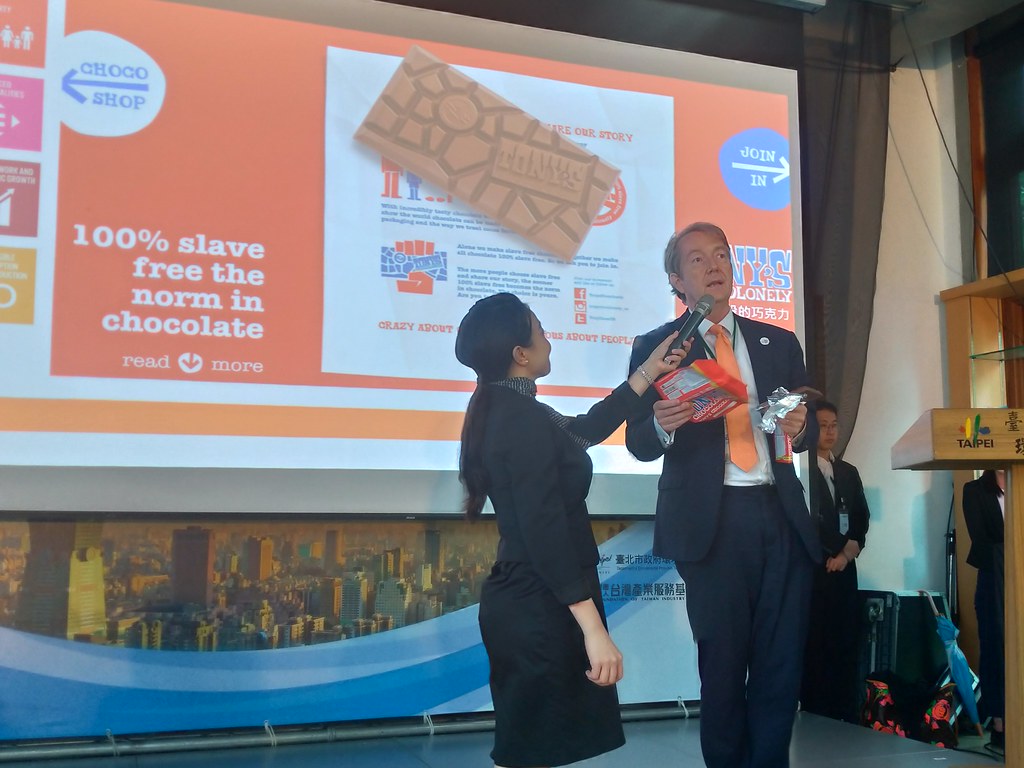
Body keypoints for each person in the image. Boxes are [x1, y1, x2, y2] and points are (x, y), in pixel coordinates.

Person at [455, 292, 687, 768]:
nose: (549, 339)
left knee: (536, 749)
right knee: (534, 749)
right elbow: (545, 530)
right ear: (520, 354)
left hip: (538, 597)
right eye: (540, 331)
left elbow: (586, 429)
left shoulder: (514, 408)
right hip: (540, 604)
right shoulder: (518, 418)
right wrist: (593, 629)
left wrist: (649, 371)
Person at [625, 222, 820, 768]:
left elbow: (802, 428)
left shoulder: (778, 342)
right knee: (724, 666)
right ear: (676, 280)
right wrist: (661, 423)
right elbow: (637, 441)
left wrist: (800, 426)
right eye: (697, 260)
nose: (714, 266)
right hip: (712, 523)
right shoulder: (657, 347)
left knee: (781, 665)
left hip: (779, 514)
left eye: (721, 255)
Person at [800, 400, 870, 723]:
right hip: (814, 570)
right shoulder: (800, 469)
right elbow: (807, 522)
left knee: (845, 638)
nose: (829, 432)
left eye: (833, 425)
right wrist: (834, 551)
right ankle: (816, 712)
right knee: (816, 642)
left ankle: (846, 711)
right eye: (822, 426)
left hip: (844, 569)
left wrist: (847, 553)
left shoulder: (847, 472)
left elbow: (861, 518)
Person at [962, 469, 1005, 751]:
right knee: (995, 646)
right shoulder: (975, 490)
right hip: (994, 578)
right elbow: (980, 538)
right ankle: (1000, 725)